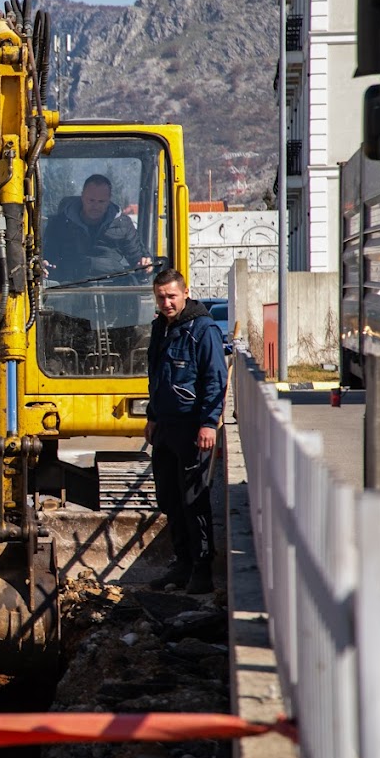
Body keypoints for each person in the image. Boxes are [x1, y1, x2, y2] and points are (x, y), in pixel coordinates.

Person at [144, 269, 229, 594]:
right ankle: (181, 564)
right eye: (161, 297)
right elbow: (157, 378)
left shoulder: (201, 329)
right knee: (170, 499)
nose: (166, 302)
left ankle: (202, 568)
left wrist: (208, 422)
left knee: (194, 500)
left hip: (192, 428)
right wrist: (152, 417)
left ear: (185, 293)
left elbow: (214, 378)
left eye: (171, 296)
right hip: (165, 427)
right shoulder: (160, 329)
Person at [43, 173, 152, 284]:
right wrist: (44, 264)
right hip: (69, 286)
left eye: (101, 201)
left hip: (114, 288)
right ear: (82, 197)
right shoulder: (60, 224)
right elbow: (48, 254)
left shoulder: (122, 224)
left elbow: (137, 257)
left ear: (109, 200)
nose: (95, 206)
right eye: (91, 200)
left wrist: (144, 264)